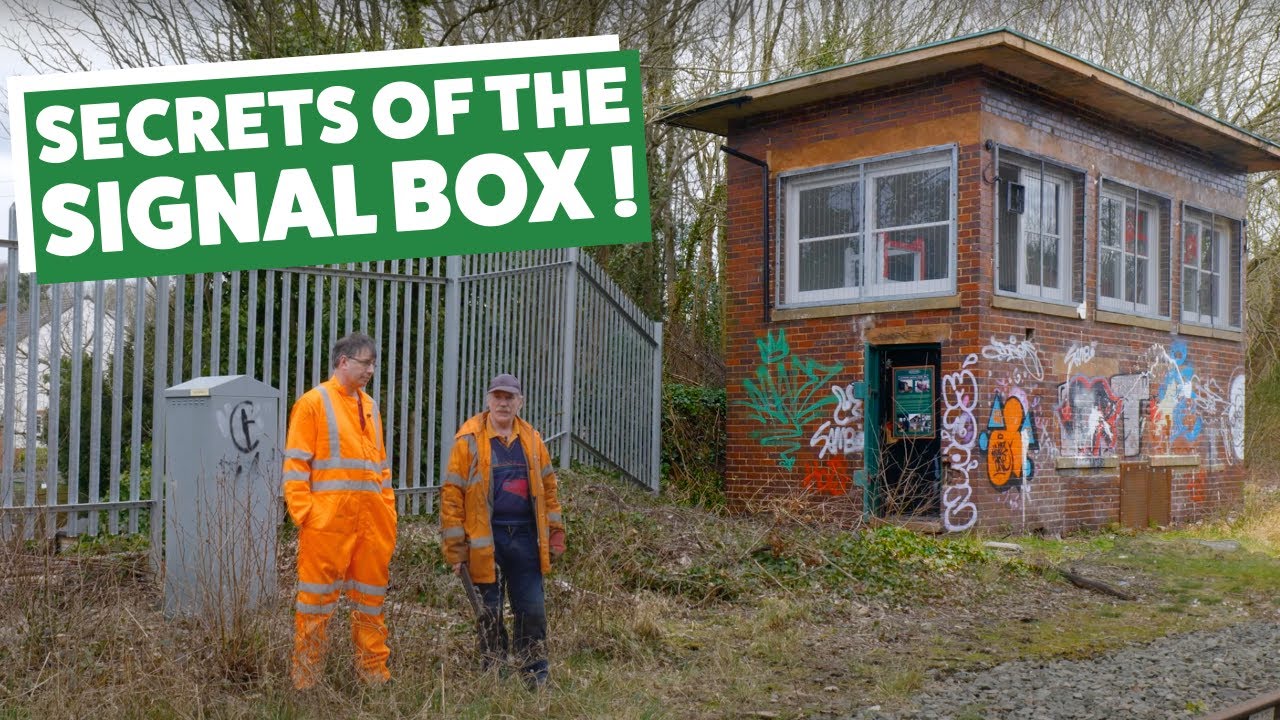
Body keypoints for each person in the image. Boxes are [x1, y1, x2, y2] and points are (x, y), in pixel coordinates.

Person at [281, 333, 396, 690]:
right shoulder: (313, 403)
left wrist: (387, 511)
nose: (371, 370)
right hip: (327, 526)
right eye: (365, 363)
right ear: (343, 362)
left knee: (371, 602)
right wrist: (307, 515)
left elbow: (380, 466)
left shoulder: (370, 407)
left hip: (371, 524)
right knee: (315, 606)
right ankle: (307, 680)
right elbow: (296, 467)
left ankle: (373, 674)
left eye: (374, 365)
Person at [440, 373, 566, 688]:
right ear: (488, 400)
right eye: (498, 396)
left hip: (526, 540)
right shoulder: (467, 440)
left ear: (520, 402)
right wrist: (455, 550)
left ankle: (535, 674)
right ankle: (494, 674)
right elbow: (451, 498)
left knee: (532, 609)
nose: (503, 403)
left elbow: (549, 491)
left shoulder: (533, 441)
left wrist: (555, 533)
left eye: (510, 397)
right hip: (485, 542)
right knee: (489, 613)